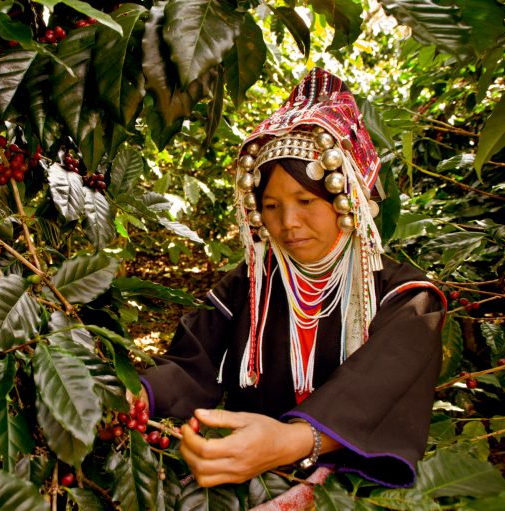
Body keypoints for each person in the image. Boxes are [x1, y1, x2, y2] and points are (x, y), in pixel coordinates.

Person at [136, 68, 446, 489]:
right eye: (272, 205)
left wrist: (294, 440)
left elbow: (382, 388)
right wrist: (133, 395)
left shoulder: (406, 299)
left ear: (347, 201)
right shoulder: (251, 284)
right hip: (252, 478)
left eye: (305, 200)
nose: (288, 223)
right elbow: (191, 362)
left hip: (357, 488)